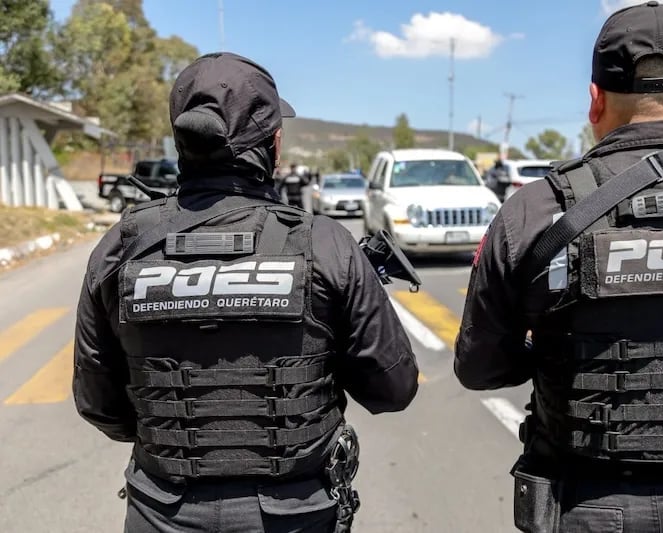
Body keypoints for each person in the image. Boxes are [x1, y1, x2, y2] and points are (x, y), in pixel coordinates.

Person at [455, 2, 663, 531]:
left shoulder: (534, 211)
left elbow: (479, 367)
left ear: (595, 100)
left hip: (583, 507)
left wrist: (549, 352)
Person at [73, 52, 419, 533]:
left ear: (183, 138)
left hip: (162, 511)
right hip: (295, 515)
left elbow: (98, 403)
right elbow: (393, 389)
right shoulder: (324, 243)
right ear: (273, 145)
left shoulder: (121, 245)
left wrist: (178, 441)